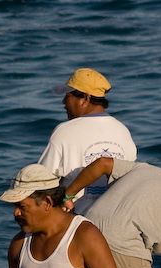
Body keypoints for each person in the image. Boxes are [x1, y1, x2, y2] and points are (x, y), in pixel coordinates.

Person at [37, 67, 136, 215]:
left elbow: (41, 181)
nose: (63, 101)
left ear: (85, 98)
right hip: (116, 218)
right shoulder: (123, 131)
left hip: (77, 221)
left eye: (68, 96)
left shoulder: (65, 131)